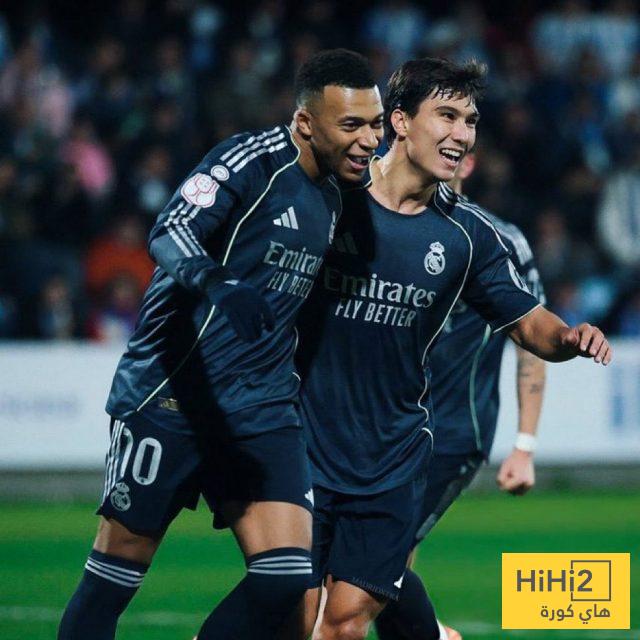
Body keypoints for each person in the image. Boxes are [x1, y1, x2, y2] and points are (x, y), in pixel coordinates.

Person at [57, 48, 384, 640]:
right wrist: (216, 281)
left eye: (376, 124)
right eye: (352, 125)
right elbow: (171, 230)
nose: (369, 140)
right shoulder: (250, 162)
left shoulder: (341, 195)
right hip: (171, 397)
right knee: (112, 580)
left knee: (287, 577)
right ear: (306, 122)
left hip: (261, 408)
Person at [292, 57, 611, 640]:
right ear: (400, 122)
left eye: (470, 121)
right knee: (293, 616)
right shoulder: (327, 199)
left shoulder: (471, 235)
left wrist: (567, 338)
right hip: (304, 446)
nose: (462, 133)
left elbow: (528, 324)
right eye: (447, 115)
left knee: (343, 622)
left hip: (395, 456)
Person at [374, 153, 547, 640]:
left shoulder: (500, 240)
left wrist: (525, 445)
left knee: (377, 561)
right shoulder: (384, 224)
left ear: (468, 163)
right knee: (377, 566)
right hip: (388, 426)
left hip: (453, 431)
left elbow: (531, 341)